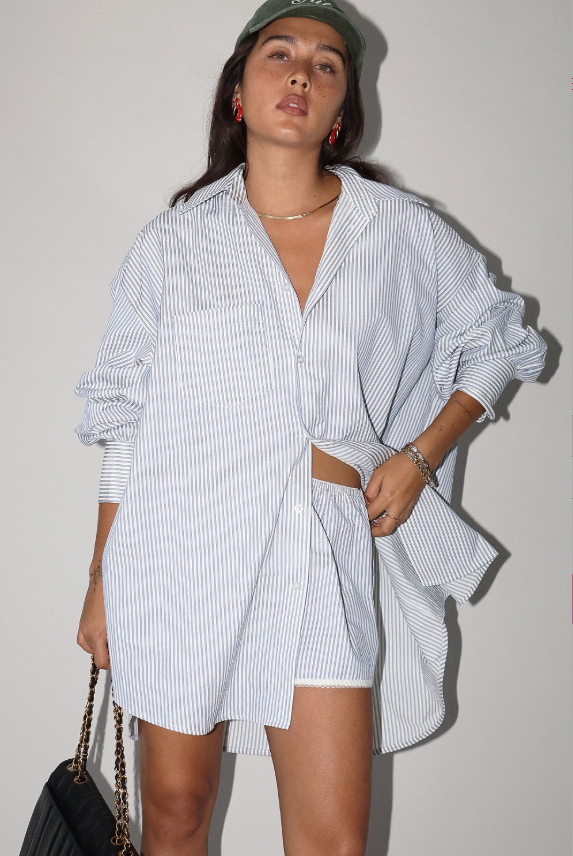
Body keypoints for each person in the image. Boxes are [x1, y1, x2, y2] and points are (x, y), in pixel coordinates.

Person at [72, 1, 548, 854]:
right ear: (239, 97)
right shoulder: (173, 245)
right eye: (279, 55)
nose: (301, 72)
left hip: (318, 549)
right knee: (174, 816)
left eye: (326, 65)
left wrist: (418, 456)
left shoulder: (401, 235)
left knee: (331, 841)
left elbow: (499, 337)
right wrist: (103, 576)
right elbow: (124, 419)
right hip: (179, 546)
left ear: (341, 114)